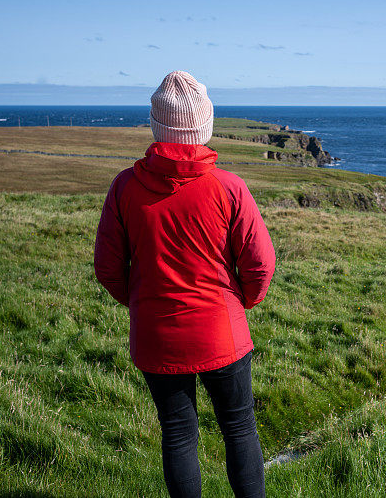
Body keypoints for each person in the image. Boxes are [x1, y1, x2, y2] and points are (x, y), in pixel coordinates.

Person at [94, 70, 276, 497]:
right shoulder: (229, 187)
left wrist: (141, 301)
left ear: (158, 126)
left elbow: (107, 267)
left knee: (177, 435)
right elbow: (260, 264)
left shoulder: (124, 187)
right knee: (239, 427)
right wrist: (241, 304)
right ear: (204, 126)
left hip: (157, 335)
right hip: (222, 331)